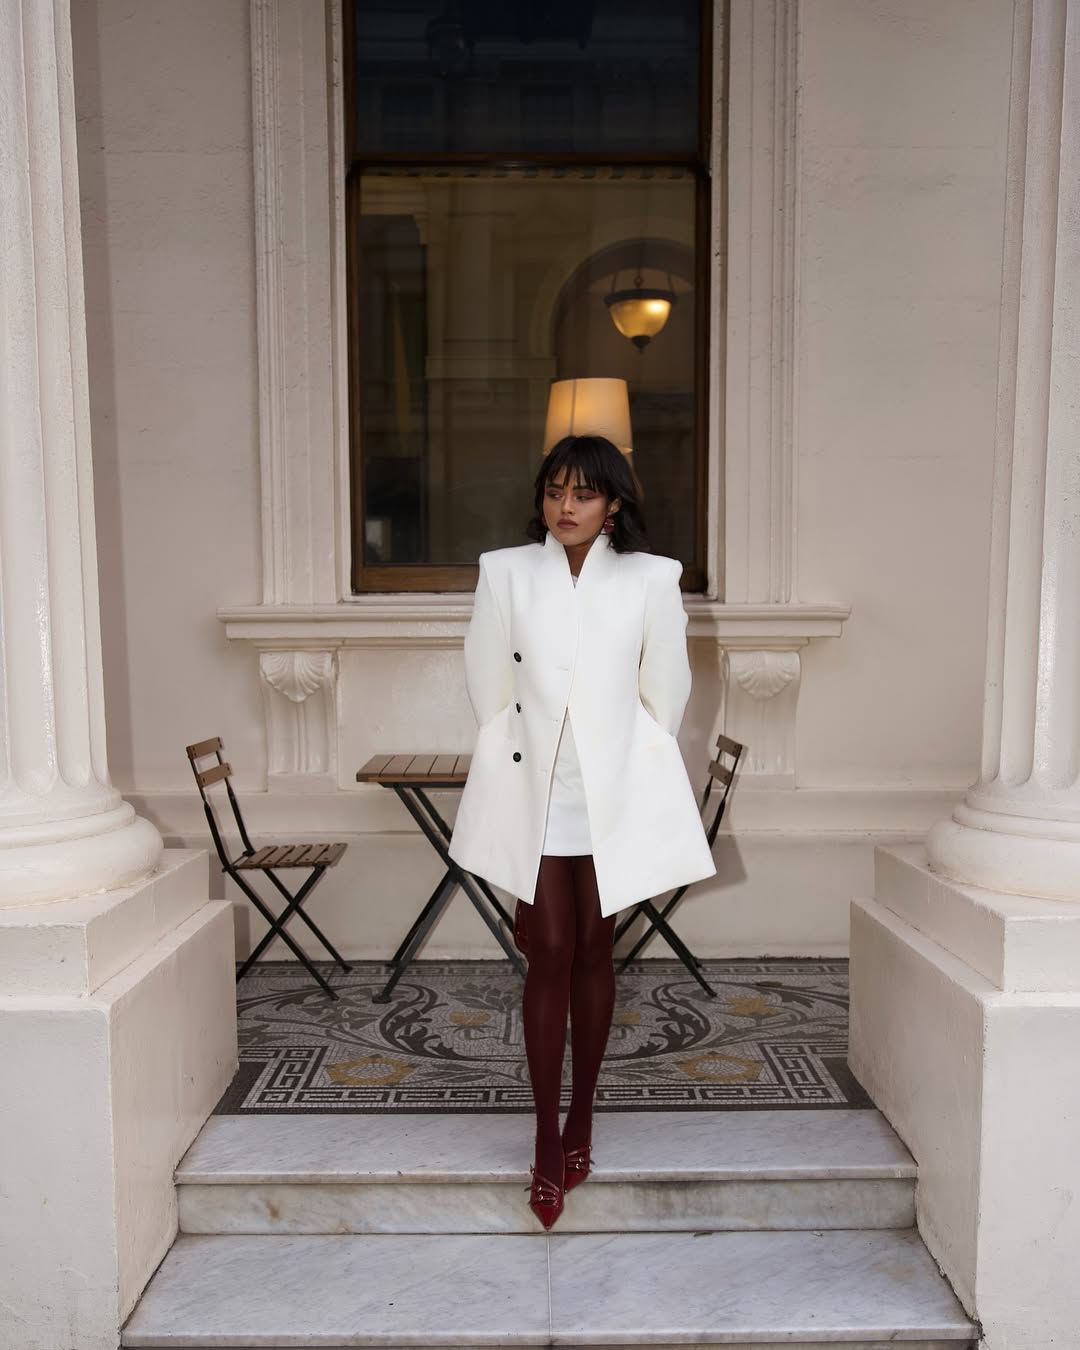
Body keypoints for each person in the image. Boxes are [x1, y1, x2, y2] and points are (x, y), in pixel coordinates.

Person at [449, 434, 716, 1230]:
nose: (565, 507)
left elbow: (665, 692)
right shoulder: (506, 571)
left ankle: (584, 1116)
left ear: (614, 505)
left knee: (595, 950)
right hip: (536, 788)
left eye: (584, 494)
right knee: (550, 952)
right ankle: (541, 1138)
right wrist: (519, 763)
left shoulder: (650, 578)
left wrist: (623, 761)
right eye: (555, 490)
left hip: (612, 796)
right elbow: (488, 684)